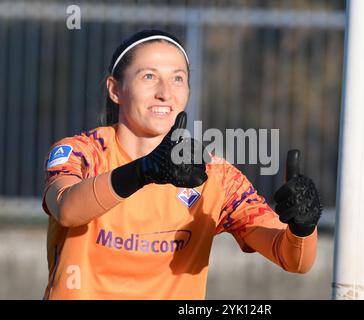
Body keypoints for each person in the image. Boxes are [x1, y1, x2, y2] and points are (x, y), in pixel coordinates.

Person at [42, 29, 322, 299]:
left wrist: (302, 227)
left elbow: (293, 259)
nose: (165, 92)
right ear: (115, 89)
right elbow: (67, 209)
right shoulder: (84, 152)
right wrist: (142, 172)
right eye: (149, 76)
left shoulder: (215, 176)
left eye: (177, 79)